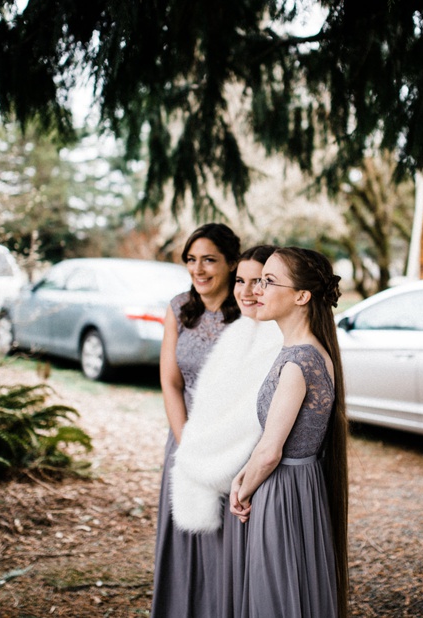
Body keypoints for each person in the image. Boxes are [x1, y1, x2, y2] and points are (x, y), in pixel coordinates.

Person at [229, 247, 350, 618]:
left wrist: (242, 488)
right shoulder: (310, 352)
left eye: (268, 281)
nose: (257, 290)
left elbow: (270, 451)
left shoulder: (300, 361)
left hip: (283, 492)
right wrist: (243, 474)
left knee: (276, 595)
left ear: (301, 296)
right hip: (301, 488)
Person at [170, 245, 283, 616]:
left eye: (260, 282)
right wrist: (196, 449)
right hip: (216, 467)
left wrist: (211, 461)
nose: (247, 291)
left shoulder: (278, 341)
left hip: (250, 478)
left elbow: (249, 421)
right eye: (241, 281)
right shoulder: (237, 334)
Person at [151, 223, 241, 617]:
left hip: (231, 443)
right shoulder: (178, 308)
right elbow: (170, 382)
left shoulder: (249, 315)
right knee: (185, 530)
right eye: (191, 260)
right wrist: (186, 442)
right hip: (184, 437)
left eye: (209, 260)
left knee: (227, 536)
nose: (198, 269)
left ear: (232, 262)